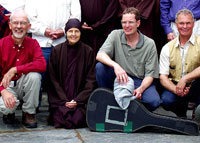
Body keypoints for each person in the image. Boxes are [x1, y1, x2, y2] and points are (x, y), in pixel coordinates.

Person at [96, 7, 160, 112]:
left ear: (138, 23)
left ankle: (133, 110)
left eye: (130, 22)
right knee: (100, 67)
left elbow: (150, 75)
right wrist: (116, 66)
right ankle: (108, 99)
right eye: (124, 22)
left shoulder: (149, 43)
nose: (127, 26)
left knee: (154, 101)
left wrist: (141, 89)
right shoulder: (115, 34)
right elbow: (100, 55)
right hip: (121, 77)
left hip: (139, 81)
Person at [46, 19, 96, 128]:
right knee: (59, 118)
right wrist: (64, 100)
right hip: (60, 99)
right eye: (70, 31)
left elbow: (90, 80)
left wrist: (78, 100)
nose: (73, 34)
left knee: (78, 119)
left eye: (76, 31)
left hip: (79, 101)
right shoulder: (57, 51)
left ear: (81, 33)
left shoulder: (88, 51)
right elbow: (52, 79)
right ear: (66, 33)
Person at [0, 10, 46, 128]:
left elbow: (42, 64)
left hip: (24, 83)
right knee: (6, 107)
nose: (19, 26)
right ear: (10, 25)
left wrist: (15, 69)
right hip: (7, 85)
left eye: (23, 23)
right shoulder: (1, 44)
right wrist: (3, 91)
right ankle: (8, 113)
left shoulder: (33, 43)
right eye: (15, 23)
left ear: (29, 27)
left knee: (35, 76)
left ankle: (29, 113)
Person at [159, 9, 200, 117]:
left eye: (188, 23)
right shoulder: (167, 48)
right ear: (176, 24)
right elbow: (163, 77)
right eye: (181, 23)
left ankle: (197, 112)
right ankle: (181, 114)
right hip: (176, 86)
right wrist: (176, 90)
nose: (185, 26)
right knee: (166, 100)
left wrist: (185, 79)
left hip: (196, 86)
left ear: (194, 23)